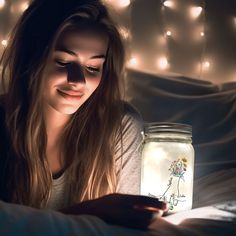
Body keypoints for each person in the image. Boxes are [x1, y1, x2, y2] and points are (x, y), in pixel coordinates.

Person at [0, 0, 166, 229]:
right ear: (31, 58)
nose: (78, 80)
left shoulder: (120, 126)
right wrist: (89, 212)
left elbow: (125, 228)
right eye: (63, 62)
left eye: (93, 68)